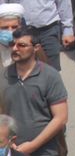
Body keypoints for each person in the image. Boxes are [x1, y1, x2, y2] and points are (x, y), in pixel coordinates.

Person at [4, 26, 68, 156]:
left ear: (36, 48)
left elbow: (61, 118)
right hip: (12, 149)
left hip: (46, 150)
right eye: (12, 44)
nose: (15, 48)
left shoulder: (50, 76)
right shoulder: (2, 76)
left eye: (21, 45)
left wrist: (32, 145)